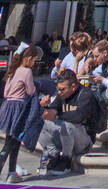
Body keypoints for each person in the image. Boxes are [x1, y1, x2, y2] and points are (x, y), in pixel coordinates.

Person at [37, 69, 100, 174]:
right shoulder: (61, 95)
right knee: (40, 123)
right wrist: (44, 108)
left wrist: (57, 116)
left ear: (73, 86)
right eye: (58, 89)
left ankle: (66, 160)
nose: (59, 92)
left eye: (62, 89)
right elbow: (51, 114)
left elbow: (77, 117)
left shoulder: (86, 95)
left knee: (67, 125)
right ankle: (53, 156)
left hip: (84, 143)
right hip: (66, 137)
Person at [0, 45, 41, 181]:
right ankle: (9, 173)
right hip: (18, 108)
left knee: (13, 141)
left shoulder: (13, 70)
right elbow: (31, 91)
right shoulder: (26, 71)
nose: (34, 63)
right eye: (34, 60)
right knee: (12, 142)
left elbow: (5, 93)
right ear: (29, 59)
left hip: (7, 107)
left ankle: (12, 173)